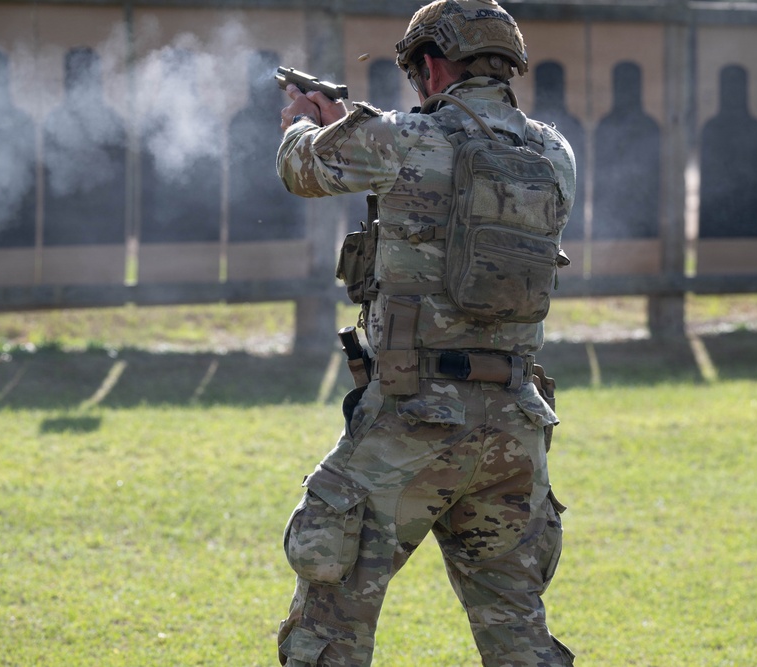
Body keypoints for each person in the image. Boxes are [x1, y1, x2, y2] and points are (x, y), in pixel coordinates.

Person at [274, 2, 576, 665]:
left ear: (432, 67)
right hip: (516, 426)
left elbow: (303, 168)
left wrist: (301, 122)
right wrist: (355, 124)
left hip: (413, 421)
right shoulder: (554, 154)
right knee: (517, 632)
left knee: (329, 624)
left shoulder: (401, 138)